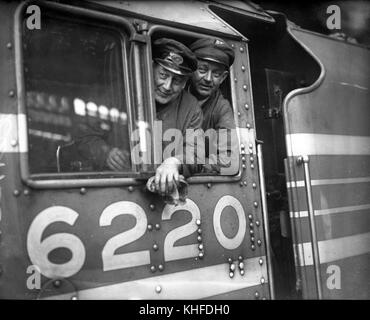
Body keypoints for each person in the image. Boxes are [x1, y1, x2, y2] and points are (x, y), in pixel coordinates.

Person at [74, 38, 203, 195]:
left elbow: (195, 152)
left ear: (184, 84)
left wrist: (174, 162)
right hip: (113, 189)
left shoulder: (191, 107)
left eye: (177, 81)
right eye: (163, 75)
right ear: (150, 68)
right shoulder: (116, 92)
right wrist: (105, 153)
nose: (167, 86)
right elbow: (83, 137)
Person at [188, 37, 237, 174]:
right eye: (202, 70)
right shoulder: (174, 93)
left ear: (223, 78)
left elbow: (229, 160)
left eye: (216, 74)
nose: (208, 79)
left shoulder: (222, 108)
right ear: (191, 69)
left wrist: (188, 166)